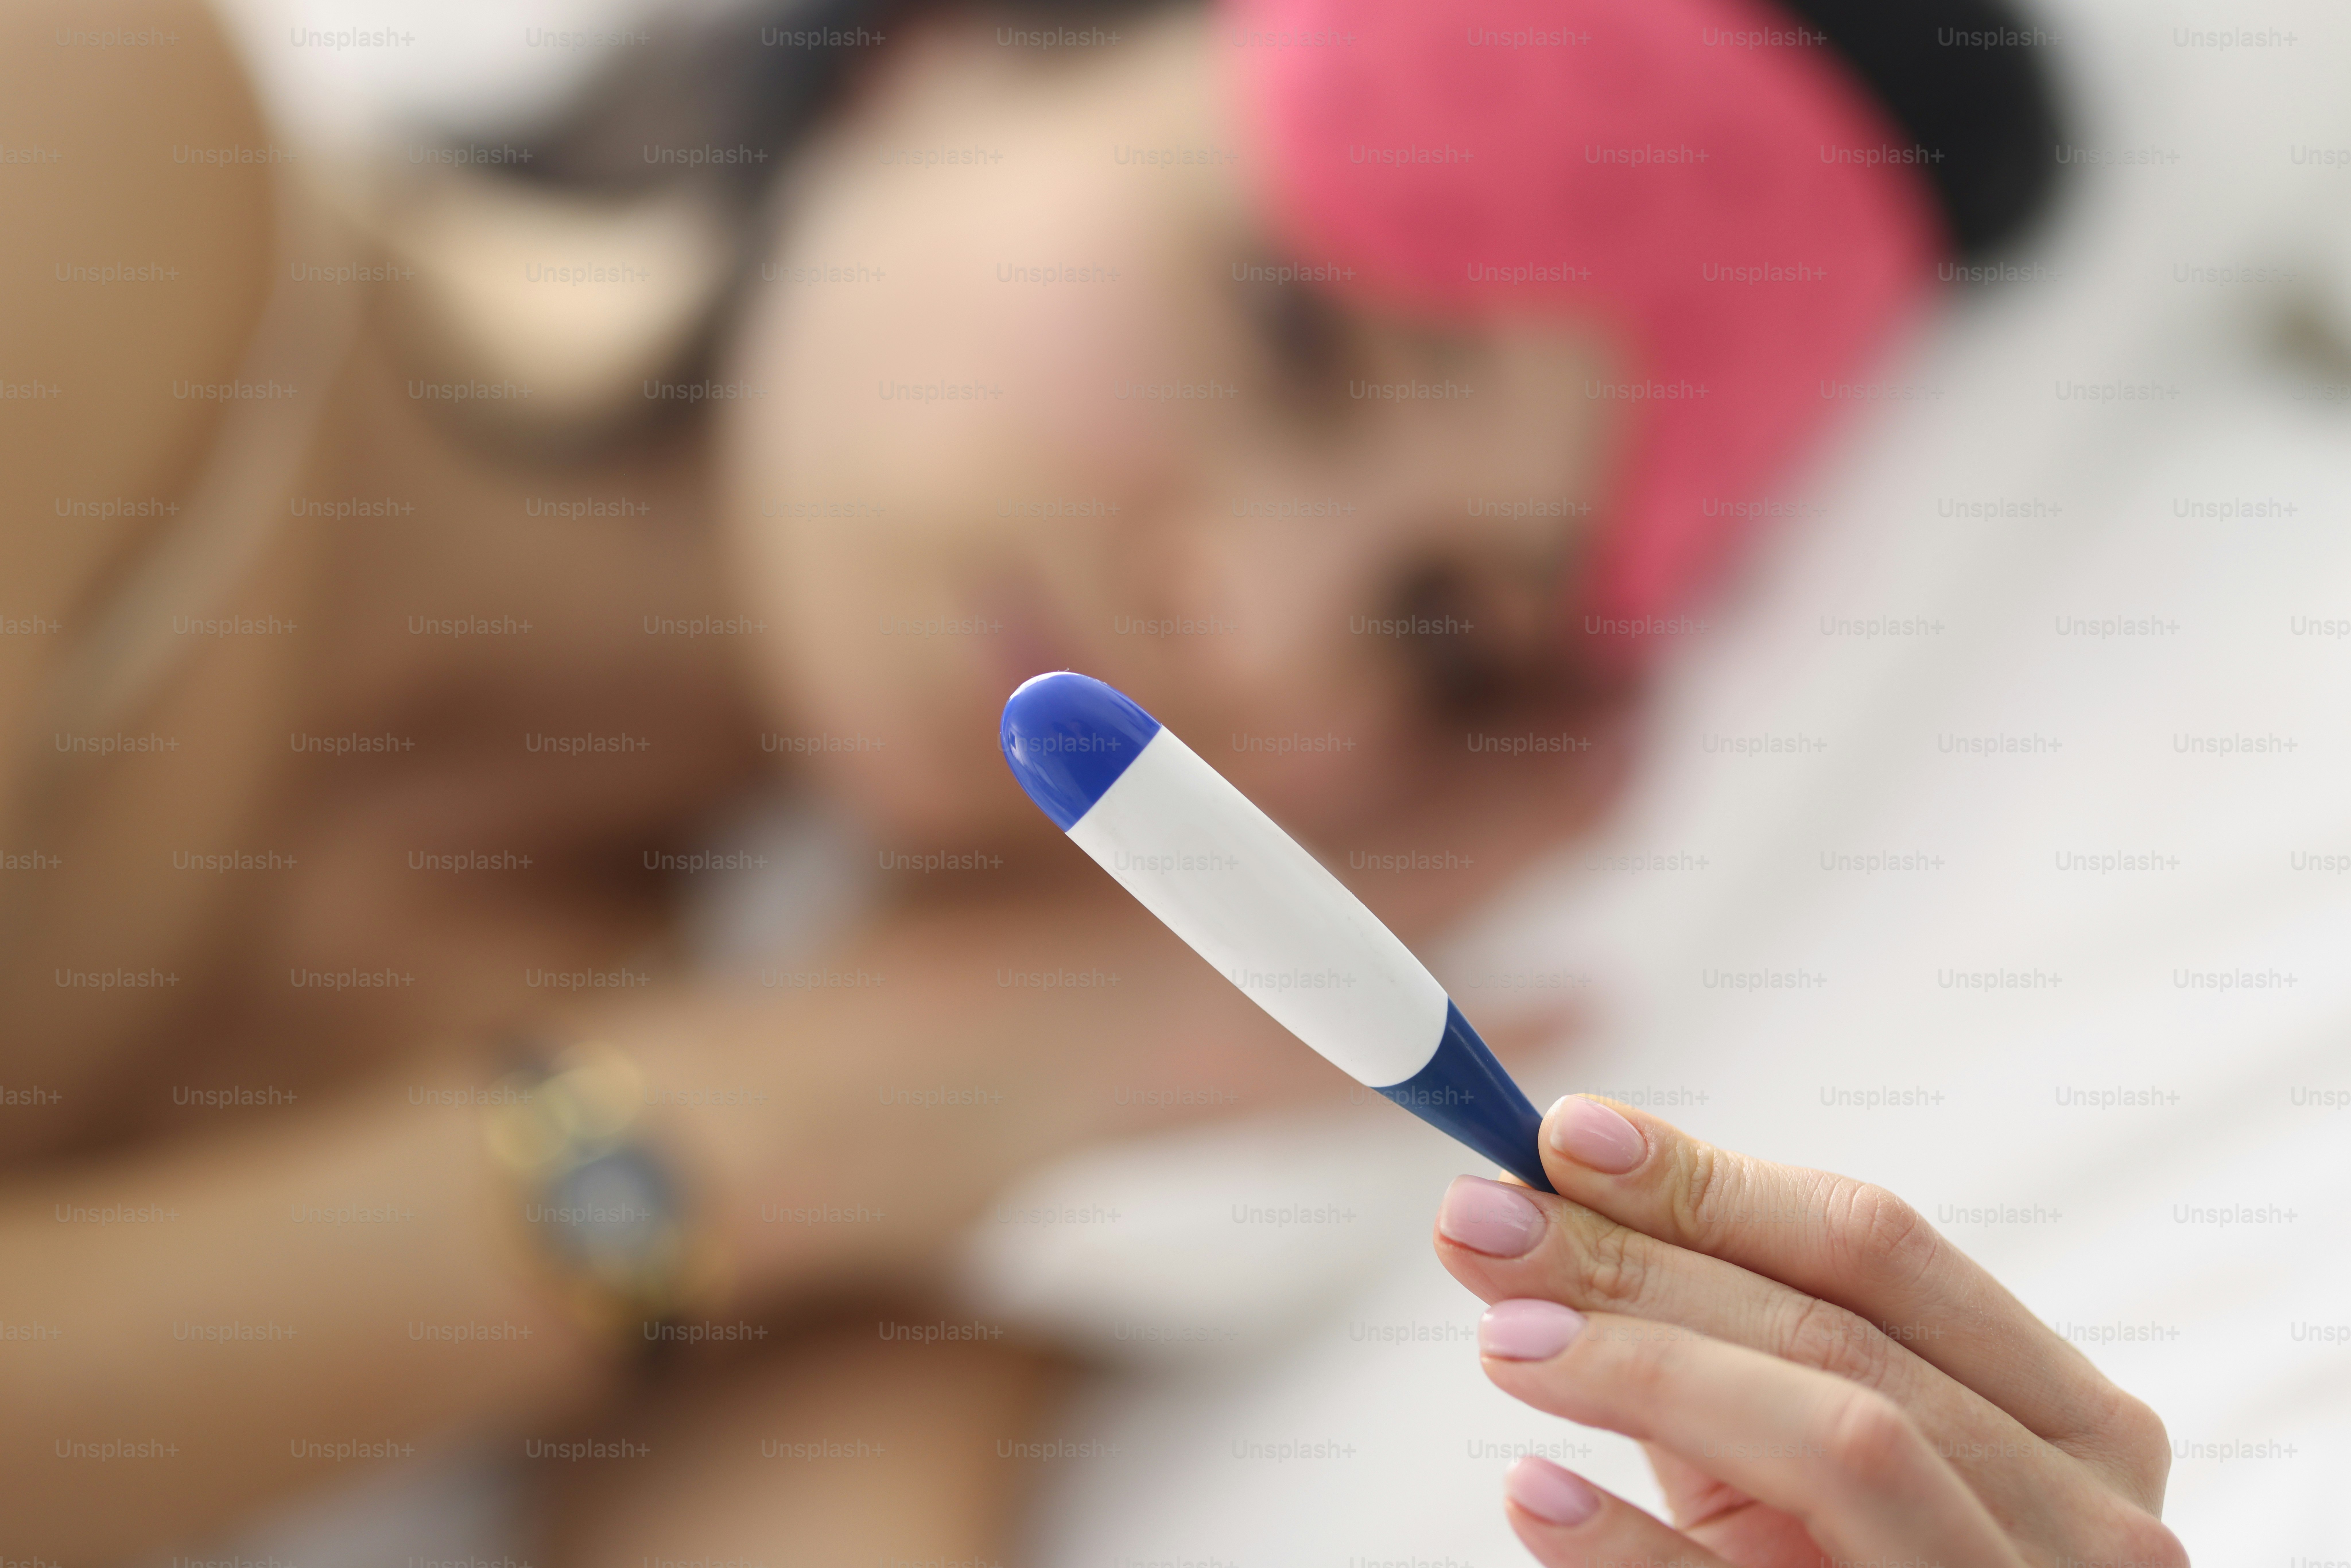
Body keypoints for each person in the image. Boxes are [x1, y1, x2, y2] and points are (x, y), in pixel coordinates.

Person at [0, 0, 2148, 1562]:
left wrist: (871, 1113)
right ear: (949, 45)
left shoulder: (902, 1120)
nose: (1268, 622)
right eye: (1291, 325)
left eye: (1441, 628)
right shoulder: (86, 148)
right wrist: (784, 1120)